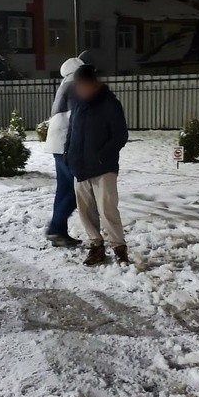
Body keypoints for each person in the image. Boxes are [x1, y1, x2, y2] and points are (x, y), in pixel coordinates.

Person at [65, 64, 129, 266]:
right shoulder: (77, 104)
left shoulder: (109, 103)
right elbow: (71, 131)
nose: (81, 88)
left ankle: (119, 248)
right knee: (85, 210)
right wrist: (68, 153)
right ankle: (96, 246)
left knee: (107, 209)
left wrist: (102, 155)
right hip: (80, 165)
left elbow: (120, 135)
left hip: (103, 167)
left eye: (84, 84)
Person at [44, 55, 84, 247]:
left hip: (56, 145)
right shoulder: (76, 85)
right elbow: (77, 118)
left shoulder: (64, 84)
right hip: (65, 144)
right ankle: (55, 228)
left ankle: (58, 230)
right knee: (77, 191)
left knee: (63, 189)